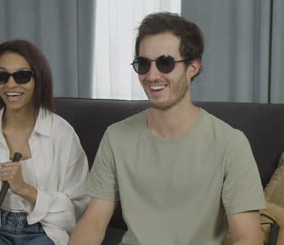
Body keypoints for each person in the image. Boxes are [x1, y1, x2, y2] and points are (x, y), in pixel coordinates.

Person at [70, 12, 265, 245]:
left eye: (165, 63)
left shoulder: (230, 143)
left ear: (192, 67)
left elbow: (248, 238)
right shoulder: (116, 136)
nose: (152, 76)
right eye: (143, 64)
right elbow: (93, 223)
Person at [0, 39, 89, 245]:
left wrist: (24, 189)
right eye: (1, 76)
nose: (10, 84)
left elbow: (77, 209)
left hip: (45, 231)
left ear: (38, 79)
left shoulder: (62, 134)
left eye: (22, 76)